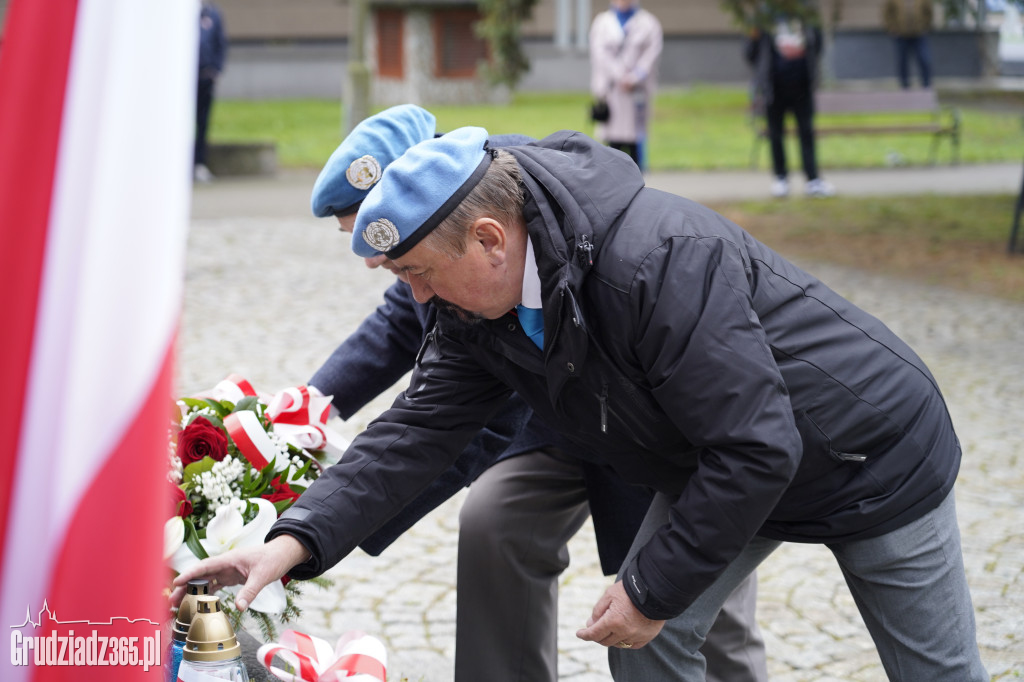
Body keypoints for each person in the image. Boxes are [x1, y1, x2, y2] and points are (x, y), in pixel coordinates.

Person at [176, 126, 989, 680]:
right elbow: (419, 430)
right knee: (645, 642)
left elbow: (759, 445)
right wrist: (292, 541)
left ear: (491, 239)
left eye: (416, 272)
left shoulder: (657, 262)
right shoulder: (473, 306)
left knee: (935, 671)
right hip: (721, 459)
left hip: (867, 459)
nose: (414, 296)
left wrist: (649, 589)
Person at [273, 105, 769, 682]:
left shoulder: (511, 204)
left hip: (651, 423)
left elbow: (464, 410)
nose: (373, 256)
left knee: (700, 594)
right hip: (552, 423)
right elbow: (400, 338)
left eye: (376, 231)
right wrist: (302, 412)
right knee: (494, 523)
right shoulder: (428, 251)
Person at [745, 8, 835, 198]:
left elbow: (817, 45)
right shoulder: (764, 18)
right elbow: (750, 53)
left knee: (806, 132)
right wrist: (755, 36)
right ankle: (781, 178)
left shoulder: (806, 15)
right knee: (776, 135)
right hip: (774, 88)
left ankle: (813, 179)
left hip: (802, 87)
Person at [589, 0, 662, 171]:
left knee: (635, 139)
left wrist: (635, 77)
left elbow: (652, 53)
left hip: (636, 92)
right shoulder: (602, 23)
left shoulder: (649, 23)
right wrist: (620, 75)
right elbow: (599, 54)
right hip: (612, 91)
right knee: (612, 145)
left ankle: (638, 180)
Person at [194, 1, 227, 183]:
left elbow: (220, 43)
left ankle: (199, 163)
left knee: (202, 123)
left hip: (206, 77)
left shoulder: (212, 13)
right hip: (186, 79)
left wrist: (216, 70)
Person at [882, 0, 934, 90]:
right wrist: (892, 28)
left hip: (919, 35)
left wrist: (925, 27)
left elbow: (929, 12)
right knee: (902, 61)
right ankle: (905, 87)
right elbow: (887, 13)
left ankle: (926, 85)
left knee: (924, 59)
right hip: (901, 35)